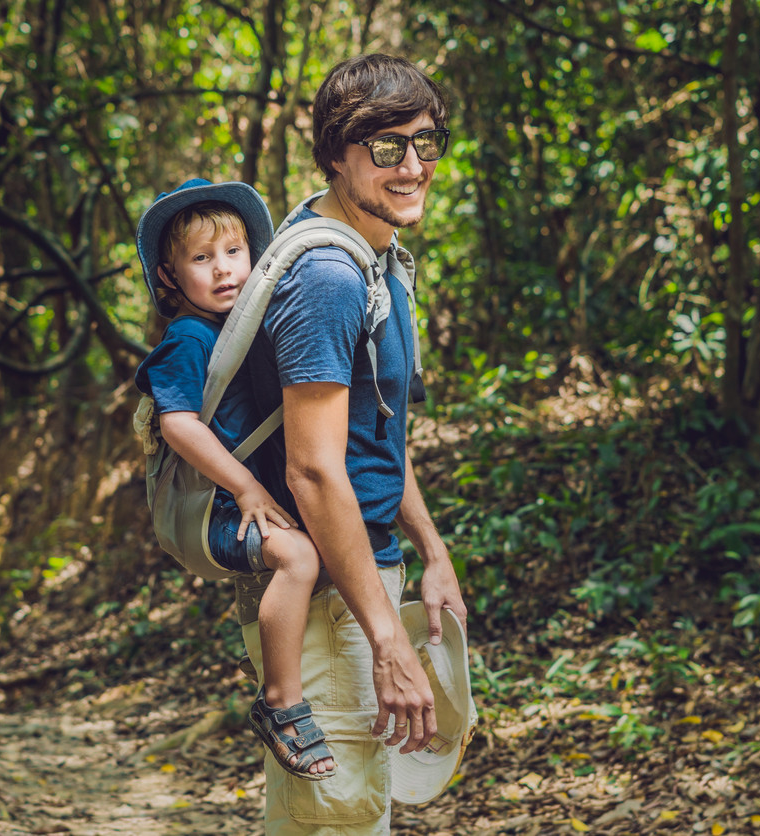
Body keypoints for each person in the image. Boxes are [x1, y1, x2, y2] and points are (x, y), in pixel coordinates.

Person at [236, 54, 468, 833]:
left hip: (357, 588)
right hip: (331, 607)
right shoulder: (329, 278)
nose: (413, 166)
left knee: (339, 817)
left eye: (426, 143)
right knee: (337, 819)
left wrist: (431, 551)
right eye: (387, 148)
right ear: (336, 155)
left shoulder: (379, 260)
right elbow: (313, 470)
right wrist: (386, 640)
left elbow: (378, 434)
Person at [134, 179, 337, 780]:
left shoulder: (243, 330)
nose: (223, 269)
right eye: (201, 258)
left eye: (234, 252)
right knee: (297, 557)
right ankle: (280, 703)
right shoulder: (189, 338)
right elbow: (178, 424)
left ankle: (274, 662)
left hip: (248, 502)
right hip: (216, 512)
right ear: (170, 276)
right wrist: (247, 488)